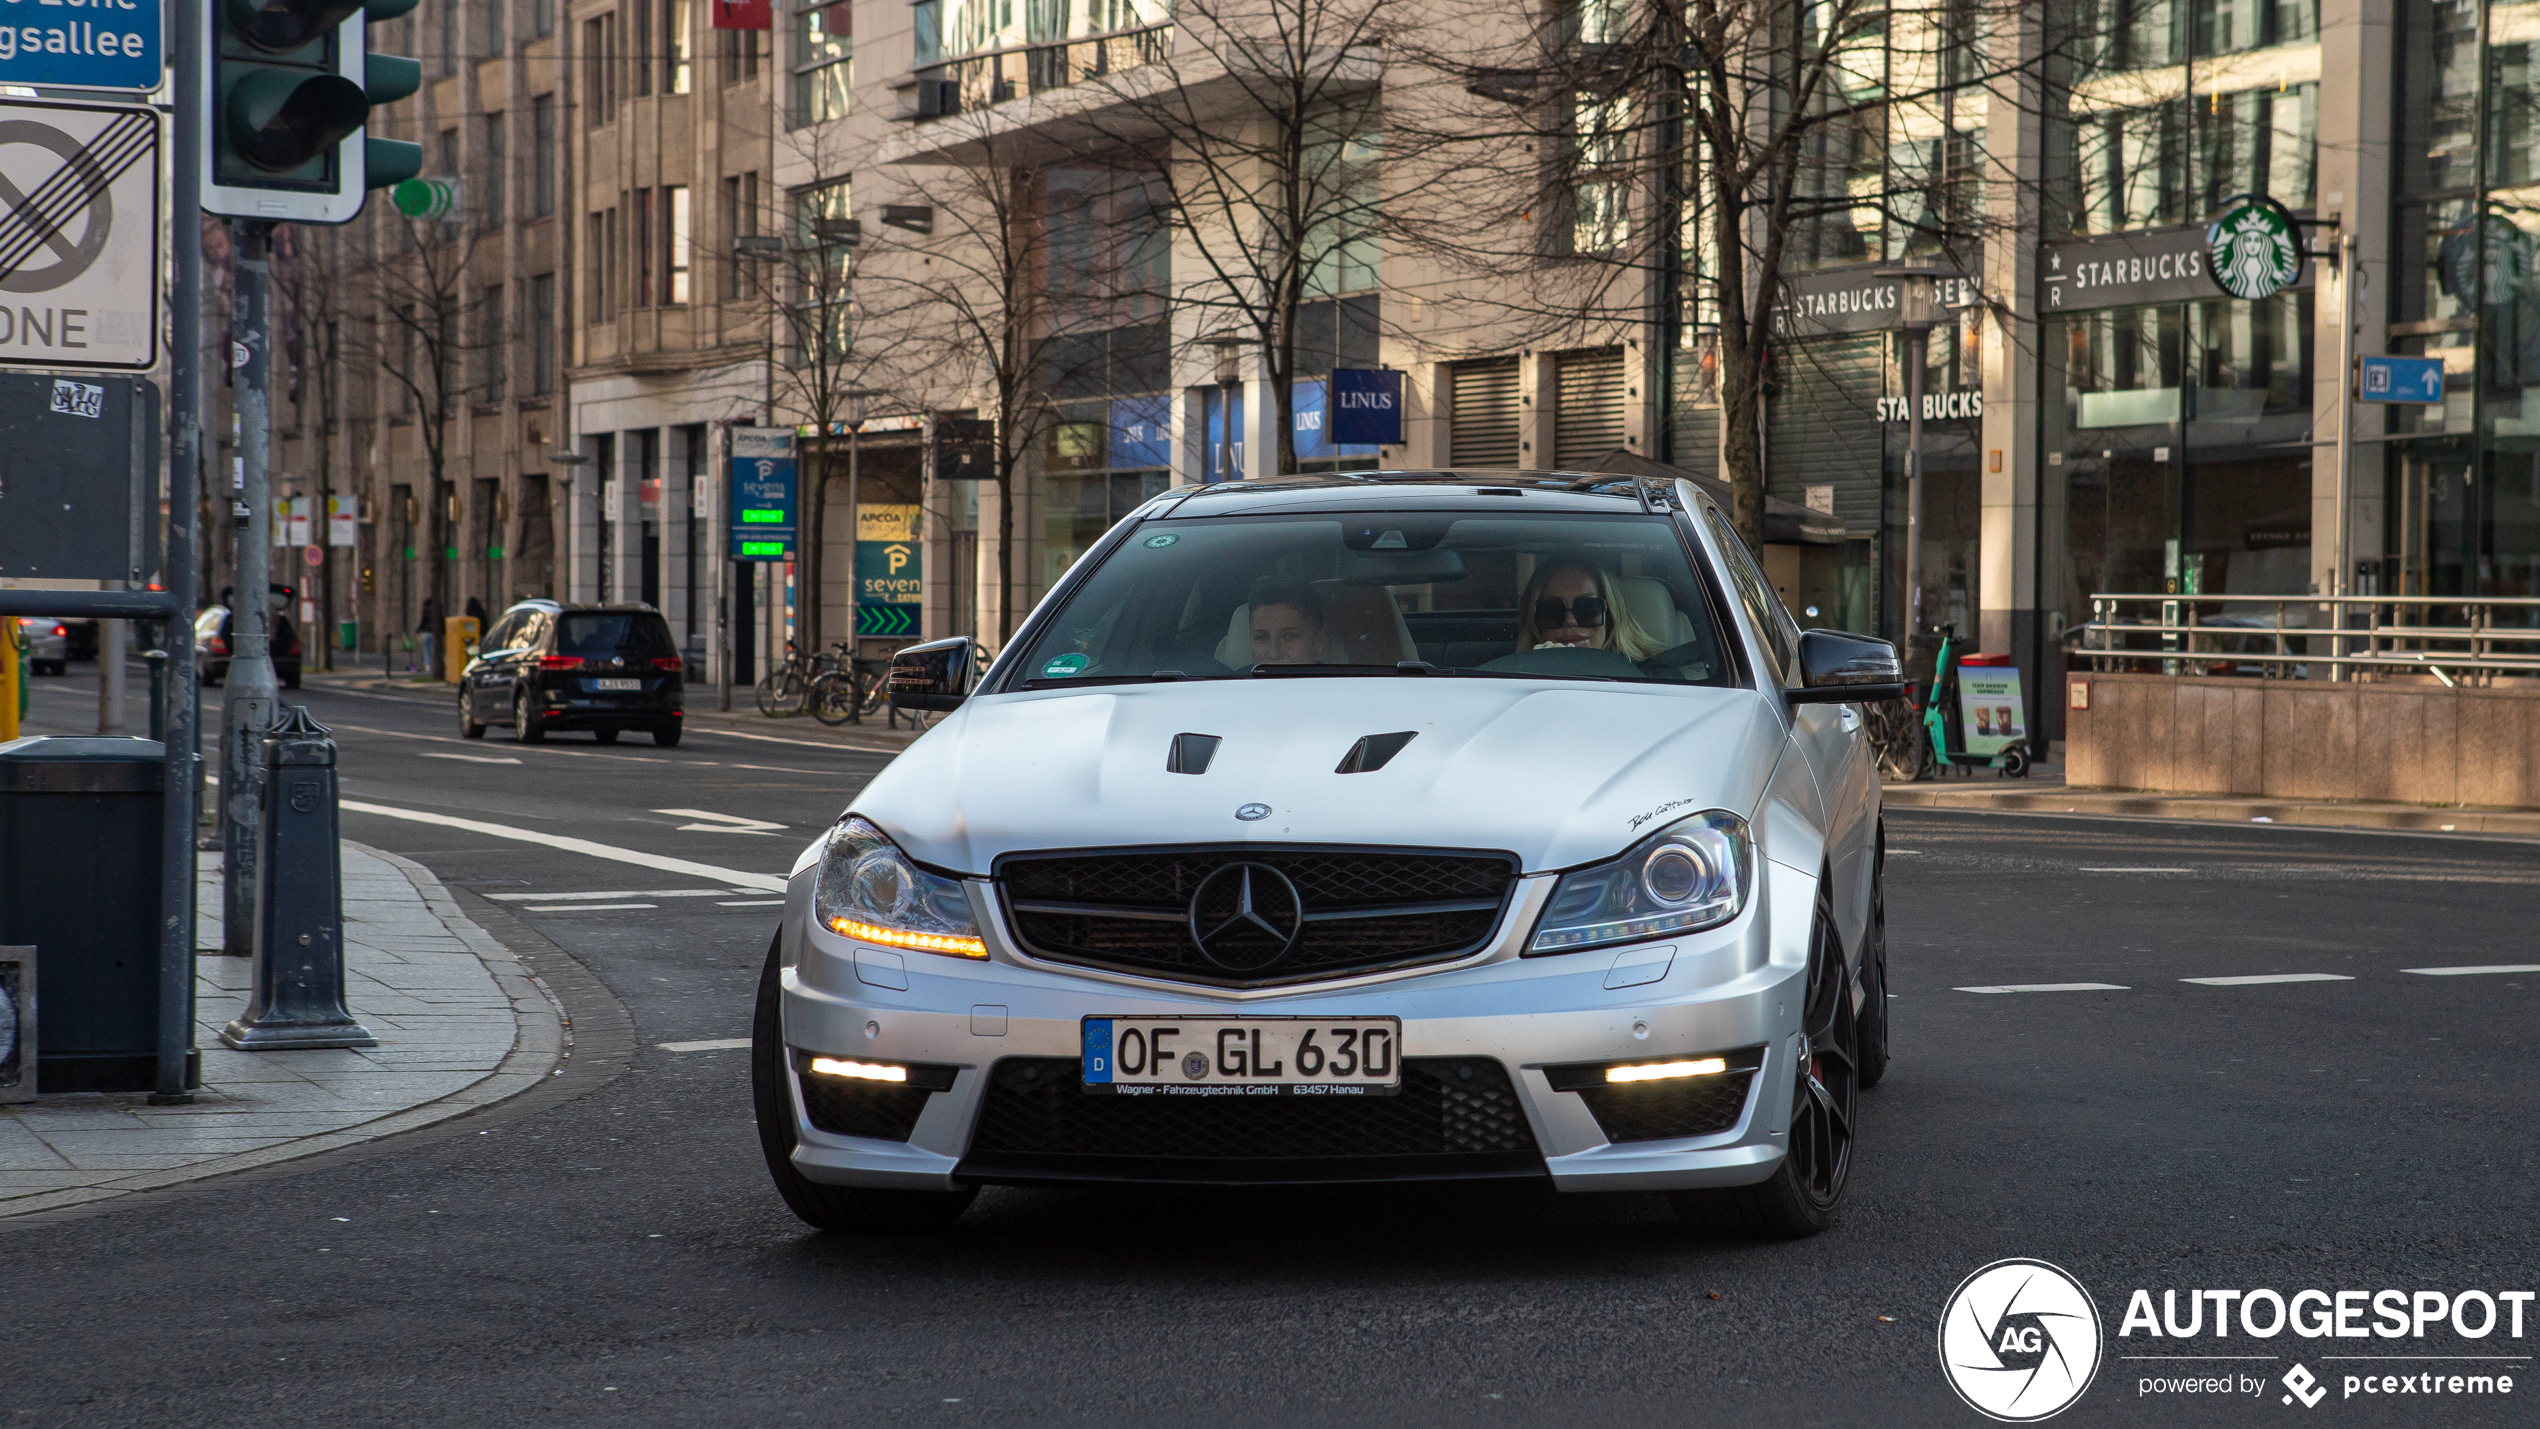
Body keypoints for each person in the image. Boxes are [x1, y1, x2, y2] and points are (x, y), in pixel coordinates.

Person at [1514, 558, 1664, 660]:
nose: (1570, 621)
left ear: (1609, 616)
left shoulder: (1653, 678)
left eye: (1587, 608)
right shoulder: (1509, 680)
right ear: (1537, 623)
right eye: (1553, 611)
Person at [1245, 578, 1327, 666]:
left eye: (1289, 636)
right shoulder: (1235, 679)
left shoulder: (1338, 679)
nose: (1274, 653)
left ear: (1319, 642)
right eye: (1262, 637)